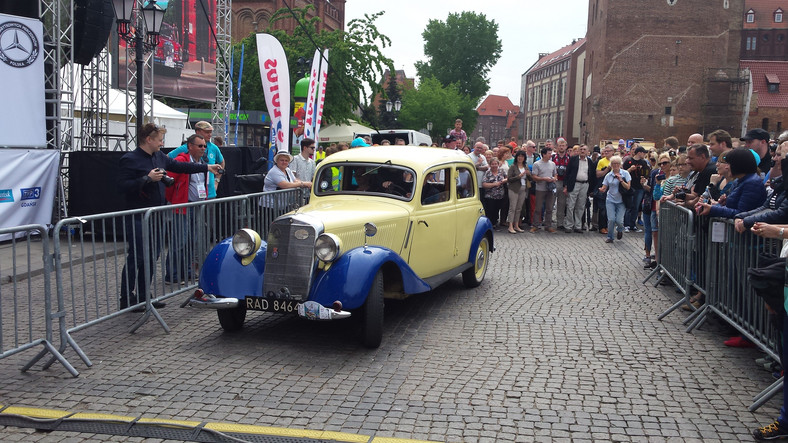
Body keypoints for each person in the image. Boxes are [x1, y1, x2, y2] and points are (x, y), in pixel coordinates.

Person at [117, 123, 220, 312]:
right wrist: (146, 179)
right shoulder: (130, 159)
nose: (162, 143)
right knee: (137, 257)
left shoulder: (159, 156)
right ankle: (127, 297)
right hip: (138, 216)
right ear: (149, 139)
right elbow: (122, 186)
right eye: (159, 140)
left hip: (156, 215)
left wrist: (206, 167)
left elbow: (180, 166)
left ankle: (143, 295)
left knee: (152, 255)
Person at [164, 134, 209, 284]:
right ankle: (173, 274)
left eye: (204, 146)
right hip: (183, 206)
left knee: (192, 240)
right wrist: (176, 199)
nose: (203, 149)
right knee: (179, 241)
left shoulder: (203, 162)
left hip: (196, 206)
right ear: (190, 146)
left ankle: (187, 271)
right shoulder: (181, 161)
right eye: (200, 146)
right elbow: (169, 183)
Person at [695, 149, 766, 218]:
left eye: (728, 164)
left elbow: (741, 213)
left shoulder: (752, 184)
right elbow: (732, 207)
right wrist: (721, 204)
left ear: (738, 165)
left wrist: (713, 209)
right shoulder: (739, 181)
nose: (726, 167)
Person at [168, 121, 225, 199]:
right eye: (207, 132)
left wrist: (217, 181)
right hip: (190, 196)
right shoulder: (185, 147)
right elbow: (167, 159)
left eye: (211, 132)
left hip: (210, 194)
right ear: (197, 132)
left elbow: (221, 162)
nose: (210, 134)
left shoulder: (214, 147)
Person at [598, 156, 632, 243]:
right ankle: (610, 236)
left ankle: (620, 229)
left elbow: (628, 187)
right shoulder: (608, 175)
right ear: (611, 165)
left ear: (620, 164)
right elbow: (604, 187)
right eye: (614, 164)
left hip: (621, 200)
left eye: (617, 163)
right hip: (610, 200)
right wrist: (601, 190)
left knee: (619, 220)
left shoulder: (625, 174)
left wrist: (621, 180)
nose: (616, 165)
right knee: (611, 219)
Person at [563, 145, 596, 233]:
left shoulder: (589, 161)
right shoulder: (573, 159)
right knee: (570, 205)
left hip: (585, 184)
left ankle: (578, 226)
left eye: (584, 149)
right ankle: (569, 225)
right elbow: (567, 173)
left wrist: (590, 189)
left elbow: (592, 175)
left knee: (581, 206)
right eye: (581, 149)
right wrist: (565, 185)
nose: (582, 151)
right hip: (574, 184)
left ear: (587, 151)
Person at [623, 146, 651, 232]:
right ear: (639, 153)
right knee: (629, 206)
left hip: (639, 187)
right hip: (630, 187)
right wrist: (630, 169)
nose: (644, 154)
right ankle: (626, 224)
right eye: (643, 153)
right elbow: (623, 173)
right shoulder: (628, 161)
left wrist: (645, 179)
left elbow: (647, 173)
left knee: (636, 206)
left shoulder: (644, 162)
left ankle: (632, 224)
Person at [531, 147, 558, 233]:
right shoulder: (537, 164)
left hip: (550, 188)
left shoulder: (553, 164)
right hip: (540, 188)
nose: (551, 155)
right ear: (544, 154)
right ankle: (535, 225)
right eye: (549, 153)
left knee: (549, 208)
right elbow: (534, 177)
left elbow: (555, 174)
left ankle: (548, 225)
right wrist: (544, 179)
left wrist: (553, 179)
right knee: (538, 208)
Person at [506, 150, 529, 233]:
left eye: (522, 156)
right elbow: (509, 179)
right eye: (519, 156)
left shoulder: (525, 166)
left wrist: (529, 174)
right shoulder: (513, 166)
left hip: (523, 188)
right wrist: (519, 176)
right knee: (513, 207)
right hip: (514, 189)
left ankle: (516, 225)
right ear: (516, 157)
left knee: (519, 208)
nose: (520, 158)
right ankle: (510, 226)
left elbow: (528, 178)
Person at [594, 144, 615, 234]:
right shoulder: (601, 161)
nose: (606, 153)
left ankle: (609, 226)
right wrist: (607, 169)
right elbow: (598, 175)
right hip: (603, 186)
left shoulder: (616, 160)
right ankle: (602, 226)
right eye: (605, 151)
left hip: (614, 187)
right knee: (602, 208)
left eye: (608, 151)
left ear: (613, 152)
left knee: (611, 208)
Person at [481, 158, 506, 229]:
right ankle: (490, 224)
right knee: (490, 210)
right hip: (490, 195)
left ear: (498, 164)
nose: (494, 165)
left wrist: (503, 181)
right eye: (492, 164)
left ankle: (495, 223)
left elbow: (507, 178)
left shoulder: (501, 171)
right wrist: (494, 184)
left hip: (500, 195)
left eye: (496, 164)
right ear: (490, 164)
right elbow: (484, 184)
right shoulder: (487, 172)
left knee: (497, 210)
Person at [551, 138, 571, 228]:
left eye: (563, 146)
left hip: (564, 183)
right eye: (560, 146)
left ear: (566, 147)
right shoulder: (552, 157)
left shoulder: (569, 158)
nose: (561, 147)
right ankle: (549, 222)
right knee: (550, 203)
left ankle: (560, 223)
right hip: (554, 181)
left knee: (562, 204)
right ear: (557, 147)